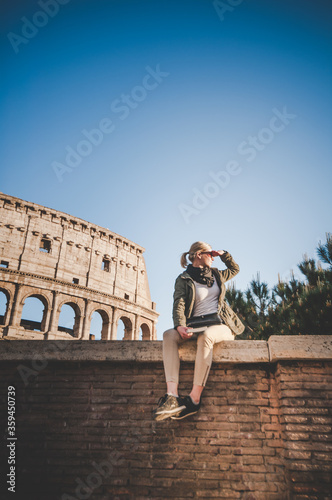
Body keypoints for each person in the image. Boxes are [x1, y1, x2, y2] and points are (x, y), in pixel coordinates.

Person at [153, 241, 244, 421]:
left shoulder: (217, 274)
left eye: (212, 253)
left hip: (220, 325)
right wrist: (180, 325)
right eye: (209, 253)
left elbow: (235, 269)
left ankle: (194, 399)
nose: (212, 256)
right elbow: (179, 303)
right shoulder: (184, 278)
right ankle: (172, 396)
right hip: (196, 325)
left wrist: (223, 254)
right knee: (169, 335)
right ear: (198, 255)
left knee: (207, 337)